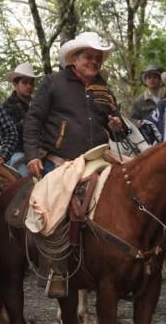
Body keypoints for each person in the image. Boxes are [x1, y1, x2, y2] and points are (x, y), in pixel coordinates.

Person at [23, 31, 124, 298]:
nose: (94, 62)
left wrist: (117, 125)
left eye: (97, 58)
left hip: (99, 157)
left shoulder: (104, 89)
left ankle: (126, 263)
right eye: (88, 57)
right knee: (56, 203)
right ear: (74, 59)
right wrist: (33, 154)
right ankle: (56, 268)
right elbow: (33, 119)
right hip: (61, 159)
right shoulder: (53, 83)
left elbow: (116, 124)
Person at [3, 62, 41, 176]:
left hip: (41, 150)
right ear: (15, 83)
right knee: (27, 183)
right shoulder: (7, 106)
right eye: (24, 82)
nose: (29, 86)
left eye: (31, 83)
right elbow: (12, 133)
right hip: (18, 151)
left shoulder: (38, 104)